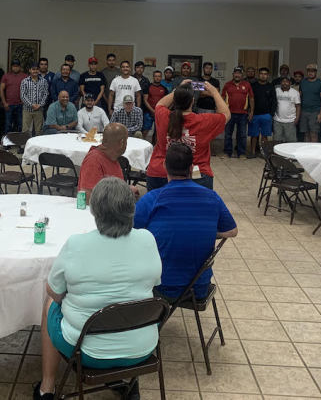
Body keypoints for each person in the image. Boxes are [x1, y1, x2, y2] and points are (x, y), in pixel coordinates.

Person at [33, 177, 161, 400]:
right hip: (143, 347)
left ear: (94, 212)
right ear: (131, 209)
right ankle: (126, 382)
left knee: (50, 304)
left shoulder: (76, 244)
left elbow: (54, 292)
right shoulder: (148, 239)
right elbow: (153, 284)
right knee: (133, 300)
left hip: (88, 352)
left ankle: (47, 387)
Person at [134, 143, 237, 298]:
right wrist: (203, 231)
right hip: (199, 288)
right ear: (191, 168)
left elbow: (130, 231)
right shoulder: (212, 197)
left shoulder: (153, 198)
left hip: (161, 286)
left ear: (164, 166)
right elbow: (231, 231)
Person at [146, 81, 229, 190]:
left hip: (160, 172)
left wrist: (178, 89)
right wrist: (214, 92)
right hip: (196, 174)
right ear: (192, 101)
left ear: (174, 101)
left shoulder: (164, 115)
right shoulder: (203, 120)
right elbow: (226, 114)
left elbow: (160, 104)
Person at [77, 123, 128, 197]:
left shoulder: (111, 156)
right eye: (126, 141)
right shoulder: (94, 160)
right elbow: (87, 197)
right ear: (121, 142)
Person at [222, 66, 253, 158]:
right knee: (228, 134)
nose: (237, 75)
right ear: (233, 74)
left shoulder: (247, 85)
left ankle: (242, 153)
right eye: (235, 73)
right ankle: (227, 152)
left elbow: (251, 98)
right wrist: (222, 111)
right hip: (229, 113)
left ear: (242, 75)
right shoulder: (227, 85)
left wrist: (251, 112)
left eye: (239, 73)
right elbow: (222, 98)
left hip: (243, 114)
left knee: (242, 135)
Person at [247, 67, 276, 158]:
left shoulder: (270, 86)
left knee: (265, 135)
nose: (263, 76)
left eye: (265, 74)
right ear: (258, 75)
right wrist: (250, 111)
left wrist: (271, 114)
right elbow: (249, 99)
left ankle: (264, 153)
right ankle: (252, 152)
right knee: (254, 135)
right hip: (254, 114)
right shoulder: (253, 85)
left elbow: (274, 101)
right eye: (261, 74)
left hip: (266, 115)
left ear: (267, 76)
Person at [299, 64, 321, 143]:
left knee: (314, 134)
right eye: (309, 71)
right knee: (306, 134)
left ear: (316, 72)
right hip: (304, 112)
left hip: (315, 112)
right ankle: (306, 153)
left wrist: (320, 114)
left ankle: (313, 154)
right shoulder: (303, 82)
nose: (310, 73)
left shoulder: (320, 83)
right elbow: (299, 96)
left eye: (313, 71)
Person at [20, 62, 49, 135]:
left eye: (37, 69)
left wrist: (40, 105)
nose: (35, 71)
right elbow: (23, 95)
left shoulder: (44, 81)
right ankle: (24, 145)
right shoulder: (24, 81)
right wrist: (32, 105)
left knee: (38, 130)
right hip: (27, 109)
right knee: (26, 130)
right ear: (29, 70)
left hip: (39, 109)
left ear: (39, 70)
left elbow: (45, 94)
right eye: (33, 69)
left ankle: (37, 146)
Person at [0, 60, 27, 134]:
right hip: (9, 104)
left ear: (20, 67)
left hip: (21, 104)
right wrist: (4, 103)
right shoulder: (6, 76)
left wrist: (25, 102)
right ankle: (7, 143)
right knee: (8, 125)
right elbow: (1, 90)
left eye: (17, 66)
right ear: (11, 67)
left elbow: (28, 90)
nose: (15, 68)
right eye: (14, 66)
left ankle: (18, 142)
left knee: (20, 124)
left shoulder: (25, 76)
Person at [273, 76, 301, 143]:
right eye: (283, 81)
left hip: (290, 121)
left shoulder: (295, 93)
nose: (284, 83)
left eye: (287, 81)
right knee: (277, 141)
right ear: (280, 83)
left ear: (290, 83)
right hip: (277, 121)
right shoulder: (276, 91)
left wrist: (297, 118)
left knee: (290, 142)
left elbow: (298, 106)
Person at [143, 69, 166, 137]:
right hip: (148, 113)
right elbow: (145, 100)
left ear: (161, 77)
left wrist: (160, 111)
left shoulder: (164, 88)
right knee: (145, 131)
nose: (157, 77)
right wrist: (152, 111)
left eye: (159, 76)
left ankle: (155, 146)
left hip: (159, 113)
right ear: (153, 77)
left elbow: (166, 102)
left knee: (158, 132)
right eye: (155, 76)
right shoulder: (148, 87)